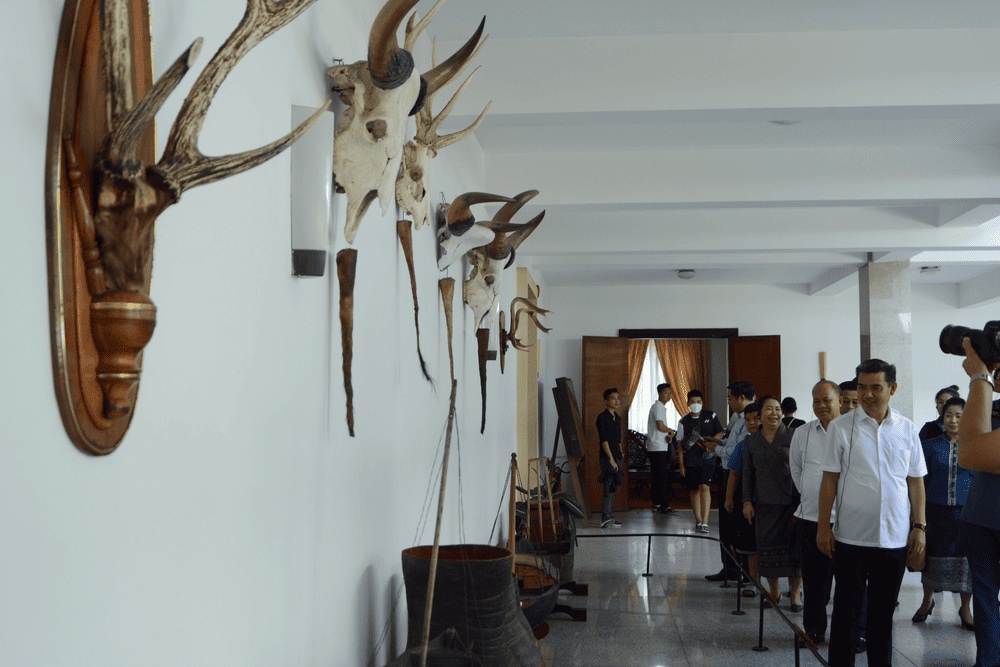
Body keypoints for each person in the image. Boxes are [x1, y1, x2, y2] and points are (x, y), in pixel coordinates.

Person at [817, 359, 927, 667]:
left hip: (893, 540)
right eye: (862, 387)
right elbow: (829, 481)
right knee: (845, 616)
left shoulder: (906, 429)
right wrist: (823, 526)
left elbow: (915, 481)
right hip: (851, 537)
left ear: (891, 389)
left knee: (881, 617)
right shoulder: (841, 428)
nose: (867, 395)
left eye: (875, 387)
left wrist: (919, 526)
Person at [912, 396, 975, 630]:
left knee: (966, 561)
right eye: (949, 415)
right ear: (942, 417)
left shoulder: (974, 445)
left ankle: (965, 608)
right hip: (935, 512)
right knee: (930, 558)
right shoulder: (930, 445)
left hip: (966, 513)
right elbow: (920, 481)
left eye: (959, 415)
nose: (953, 420)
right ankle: (927, 601)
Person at [956, 337, 1000, 667]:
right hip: (982, 516)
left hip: (985, 516)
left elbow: (970, 452)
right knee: (985, 601)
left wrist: (979, 380)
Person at [789, 380, 841, 646]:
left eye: (826, 400)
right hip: (809, 517)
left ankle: (848, 633)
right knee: (813, 580)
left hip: (845, 521)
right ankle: (814, 630)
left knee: (846, 582)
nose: (821, 406)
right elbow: (796, 470)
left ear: (839, 400)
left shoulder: (850, 431)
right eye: (816, 401)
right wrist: (813, 496)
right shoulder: (803, 433)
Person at [743, 395, 802, 609]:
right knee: (767, 551)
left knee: (794, 551)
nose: (774, 413)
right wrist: (747, 501)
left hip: (792, 503)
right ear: (759, 415)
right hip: (765, 504)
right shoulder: (751, 441)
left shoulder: (794, 436)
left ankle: (795, 593)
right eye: (769, 409)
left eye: (777, 409)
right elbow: (747, 474)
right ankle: (774, 591)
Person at [705, 380, 755, 582]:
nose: (728, 402)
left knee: (734, 524)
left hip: (737, 475)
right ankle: (730, 567)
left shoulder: (750, 419)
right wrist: (720, 442)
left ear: (741, 397)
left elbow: (739, 451)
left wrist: (716, 450)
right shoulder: (738, 418)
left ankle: (737, 569)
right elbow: (733, 444)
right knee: (727, 524)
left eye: (729, 398)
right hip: (728, 472)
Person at [725, 402, 762, 595]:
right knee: (749, 542)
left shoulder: (775, 442)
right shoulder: (742, 445)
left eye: (756, 418)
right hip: (747, 498)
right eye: (748, 420)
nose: (752, 423)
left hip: (770, 500)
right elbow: (733, 473)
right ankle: (753, 582)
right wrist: (728, 498)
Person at [677, 389, 724, 533]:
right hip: (691, 460)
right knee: (694, 490)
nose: (696, 404)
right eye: (692, 402)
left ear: (702, 403)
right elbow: (679, 444)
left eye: (698, 401)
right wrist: (681, 464)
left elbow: (720, 432)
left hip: (708, 459)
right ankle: (698, 519)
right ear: (688, 404)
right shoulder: (683, 421)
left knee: (705, 486)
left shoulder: (711, 415)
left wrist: (712, 444)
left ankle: (705, 520)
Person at [645, 382, 677, 515]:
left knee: (658, 476)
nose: (669, 396)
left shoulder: (660, 407)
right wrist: (671, 431)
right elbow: (660, 426)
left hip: (658, 446)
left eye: (670, 393)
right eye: (666, 393)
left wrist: (668, 435)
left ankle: (657, 503)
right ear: (659, 393)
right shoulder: (658, 407)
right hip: (657, 447)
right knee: (661, 477)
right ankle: (663, 504)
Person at [597, 387, 625, 528]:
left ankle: (610, 515)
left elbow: (618, 439)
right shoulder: (602, 417)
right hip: (607, 457)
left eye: (617, 398)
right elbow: (604, 440)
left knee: (614, 486)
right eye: (613, 398)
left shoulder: (617, 417)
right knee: (608, 486)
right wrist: (611, 459)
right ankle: (605, 517)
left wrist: (620, 453)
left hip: (617, 456)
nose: (616, 401)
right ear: (606, 401)